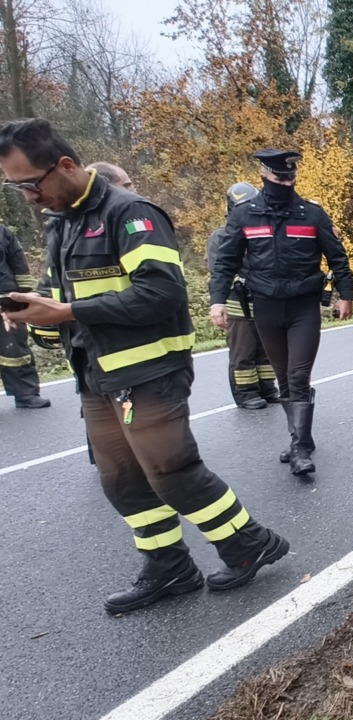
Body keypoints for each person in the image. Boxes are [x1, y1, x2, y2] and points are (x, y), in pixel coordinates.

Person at [0, 118, 288, 613]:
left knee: (172, 472)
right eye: (14, 188)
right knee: (121, 479)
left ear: (65, 165)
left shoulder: (131, 213)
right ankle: (168, 566)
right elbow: (56, 294)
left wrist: (68, 312)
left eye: (30, 183)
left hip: (150, 371)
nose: (27, 196)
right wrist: (36, 315)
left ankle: (248, 542)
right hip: (96, 375)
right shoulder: (61, 226)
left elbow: (161, 292)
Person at [210, 149, 353, 476]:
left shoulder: (312, 214)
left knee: (298, 376)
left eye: (290, 177)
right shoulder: (245, 215)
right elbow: (225, 263)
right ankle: (299, 437)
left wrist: (346, 295)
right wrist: (217, 300)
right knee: (284, 377)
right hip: (265, 306)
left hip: (303, 305)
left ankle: (301, 448)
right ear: (264, 174)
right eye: (279, 177)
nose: (285, 183)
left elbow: (338, 258)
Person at [207, 182, 279, 410]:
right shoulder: (221, 236)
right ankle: (246, 393)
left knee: (266, 348)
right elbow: (219, 270)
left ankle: (267, 388)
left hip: (263, 300)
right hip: (237, 302)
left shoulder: (265, 231)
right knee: (243, 351)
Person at [0, 225, 50, 408]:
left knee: (14, 349)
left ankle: (26, 394)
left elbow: (18, 263)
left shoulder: (2, 232)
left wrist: (24, 296)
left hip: (5, 302)